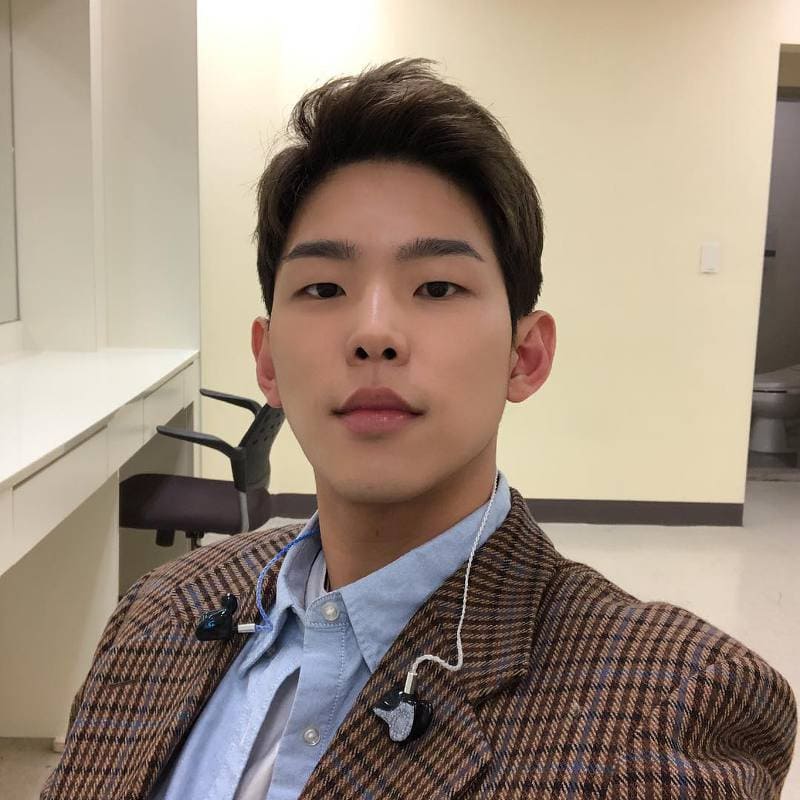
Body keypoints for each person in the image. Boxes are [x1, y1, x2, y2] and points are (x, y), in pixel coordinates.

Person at [42, 57, 796, 800]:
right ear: (267, 362)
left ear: (525, 356)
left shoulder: (665, 711)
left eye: (436, 286)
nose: (374, 333)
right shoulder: (160, 609)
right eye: (324, 287)